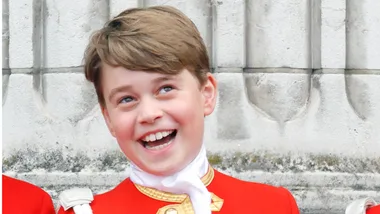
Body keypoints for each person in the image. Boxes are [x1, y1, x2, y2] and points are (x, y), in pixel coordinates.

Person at [57, 5, 300, 214]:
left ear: (206, 95)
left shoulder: (273, 205)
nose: (149, 114)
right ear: (108, 118)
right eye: (127, 99)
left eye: (165, 89)